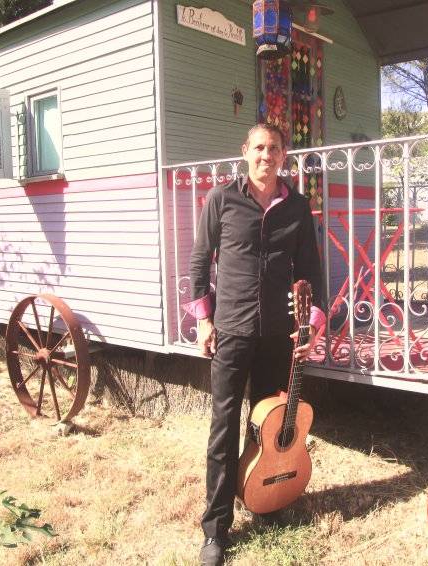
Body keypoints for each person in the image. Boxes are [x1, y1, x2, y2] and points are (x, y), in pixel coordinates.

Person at [184, 123, 325, 566]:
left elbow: (312, 269)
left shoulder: (298, 207)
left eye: (275, 148)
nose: (267, 155)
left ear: (285, 155)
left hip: (279, 335)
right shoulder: (221, 199)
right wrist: (204, 321)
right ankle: (216, 529)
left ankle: (265, 501)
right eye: (259, 147)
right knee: (224, 429)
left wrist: (311, 327)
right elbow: (198, 261)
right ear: (245, 151)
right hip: (231, 332)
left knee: (268, 425)